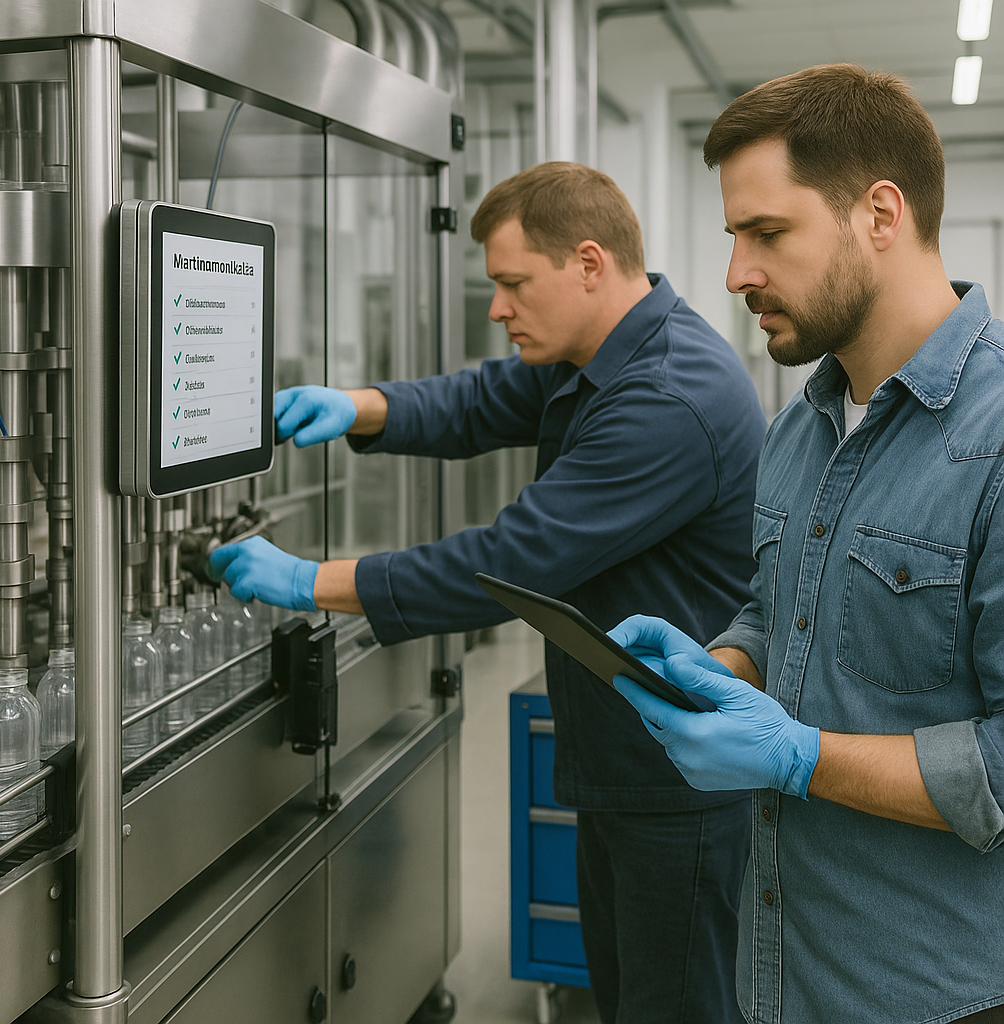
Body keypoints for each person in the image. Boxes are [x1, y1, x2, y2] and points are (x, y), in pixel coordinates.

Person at [210, 162, 767, 1024]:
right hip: (626, 753)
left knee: (675, 1006)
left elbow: (517, 558)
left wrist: (309, 581)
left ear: (588, 263)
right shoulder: (603, 348)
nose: (499, 308)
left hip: (678, 779)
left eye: (512, 284)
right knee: (627, 996)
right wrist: (359, 406)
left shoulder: (665, 395)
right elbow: (477, 401)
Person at [609, 64, 1004, 1024]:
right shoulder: (800, 426)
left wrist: (799, 759)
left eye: (767, 233)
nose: (737, 272)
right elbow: (776, 605)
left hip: (934, 997)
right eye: (734, 237)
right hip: (781, 976)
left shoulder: (993, 445)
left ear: (879, 213)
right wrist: (721, 664)